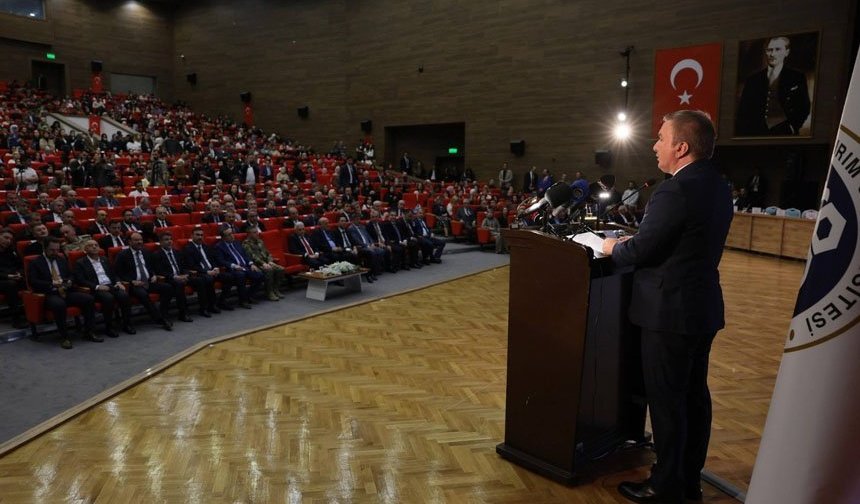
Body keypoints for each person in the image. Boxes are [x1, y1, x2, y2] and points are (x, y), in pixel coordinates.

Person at [602, 110, 732, 504]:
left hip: (668, 314)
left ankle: (665, 486)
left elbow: (643, 249)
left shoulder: (675, 189)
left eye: (661, 138)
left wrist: (612, 247)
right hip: (700, 308)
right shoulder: (717, 184)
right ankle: (687, 481)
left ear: (681, 147)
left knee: (668, 404)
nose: (655, 145)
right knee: (694, 401)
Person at [27, 238, 98, 349]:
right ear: (44, 248)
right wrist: (51, 284)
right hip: (49, 293)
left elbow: (71, 275)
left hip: (66, 290)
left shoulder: (61, 259)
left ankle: (89, 332)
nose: (55, 253)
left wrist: (69, 281)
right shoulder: (35, 262)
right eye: (52, 250)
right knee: (59, 305)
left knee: (88, 299)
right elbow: (33, 281)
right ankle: (65, 337)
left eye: (57, 250)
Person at [735, 36, 810, 136]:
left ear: (786, 52)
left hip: (784, 132)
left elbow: (804, 106)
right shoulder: (753, 80)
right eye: (769, 50)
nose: (772, 54)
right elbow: (743, 110)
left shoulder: (796, 77)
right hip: (756, 133)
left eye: (777, 49)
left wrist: (793, 126)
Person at [72, 239, 135, 337]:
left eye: (96, 245)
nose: (94, 247)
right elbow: (80, 280)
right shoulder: (80, 263)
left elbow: (114, 274)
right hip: (95, 289)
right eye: (90, 245)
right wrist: (97, 286)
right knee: (108, 298)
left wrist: (118, 282)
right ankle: (109, 327)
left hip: (110, 285)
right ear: (85, 250)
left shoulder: (104, 259)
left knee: (124, 295)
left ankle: (127, 324)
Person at [113, 233, 174, 331]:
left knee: (167, 287)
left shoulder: (146, 252)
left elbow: (150, 267)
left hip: (148, 282)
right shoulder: (123, 255)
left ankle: (164, 314)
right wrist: (131, 281)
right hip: (133, 285)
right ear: (129, 242)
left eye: (141, 240)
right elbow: (117, 273)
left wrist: (153, 274)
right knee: (143, 294)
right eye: (136, 240)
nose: (139, 242)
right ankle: (159, 319)